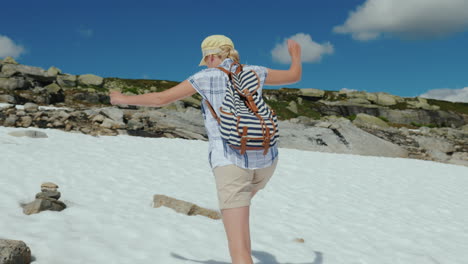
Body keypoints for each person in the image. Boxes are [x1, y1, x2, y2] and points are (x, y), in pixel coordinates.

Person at [110, 35, 301, 264]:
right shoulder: (255, 72)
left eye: (207, 59)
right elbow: (293, 76)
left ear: (210, 56)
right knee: (241, 226)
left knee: (238, 250)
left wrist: (122, 98)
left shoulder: (205, 77)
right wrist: (295, 56)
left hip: (231, 160)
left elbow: (161, 98)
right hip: (267, 159)